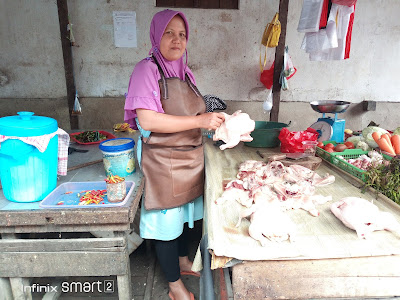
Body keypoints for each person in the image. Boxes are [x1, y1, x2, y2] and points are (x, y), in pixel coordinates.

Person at [124, 9, 225, 300]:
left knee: (183, 216)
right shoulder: (147, 70)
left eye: (182, 34)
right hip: (162, 159)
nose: (176, 40)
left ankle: (182, 263)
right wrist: (199, 122)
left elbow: (195, 111)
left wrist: (218, 119)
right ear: (157, 35)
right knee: (166, 222)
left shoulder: (184, 70)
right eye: (169, 32)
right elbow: (149, 121)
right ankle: (173, 286)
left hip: (188, 156)